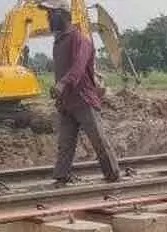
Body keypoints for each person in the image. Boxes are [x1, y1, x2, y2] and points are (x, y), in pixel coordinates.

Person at [40, 0, 120, 185]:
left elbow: (78, 67)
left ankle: (113, 175)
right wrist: (59, 91)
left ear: (63, 15)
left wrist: (62, 84)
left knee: (98, 139)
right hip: (66, 102)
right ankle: (61, 176)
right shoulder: (59, 42)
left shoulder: (80, 39)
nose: (48, 18)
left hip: (83, 99)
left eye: (51, 14)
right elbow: (61, 69)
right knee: (65, 144)